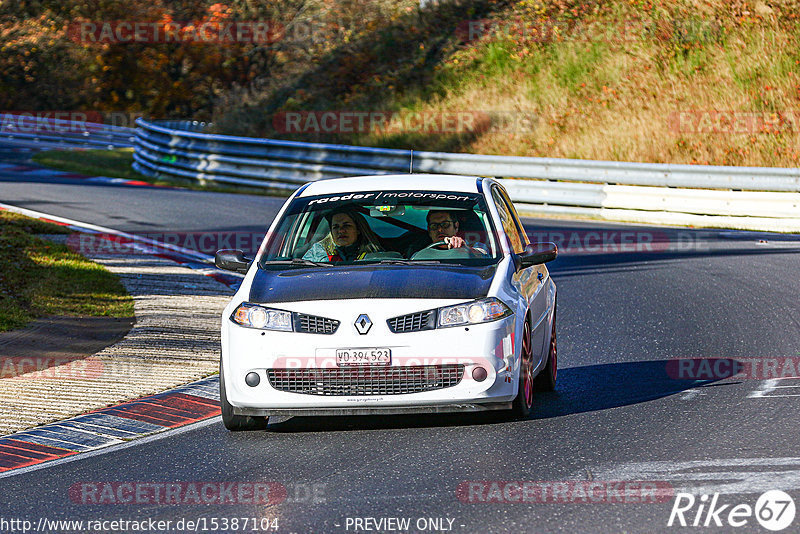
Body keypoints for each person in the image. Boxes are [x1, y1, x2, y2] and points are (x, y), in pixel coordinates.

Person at [303, 207, 383, 262]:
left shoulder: (374, 253)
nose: (341, 231)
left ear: (358, 229)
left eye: (346, 225)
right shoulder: (317, 252)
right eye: (336, 227)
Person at [411, 209, 489, 256]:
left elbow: (483, 255)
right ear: (429, 231)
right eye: (434, 226)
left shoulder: (474, 244)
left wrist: (466, 249)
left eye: (445, 224)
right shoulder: (419, 253)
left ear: (456, 226)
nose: (440, 230)